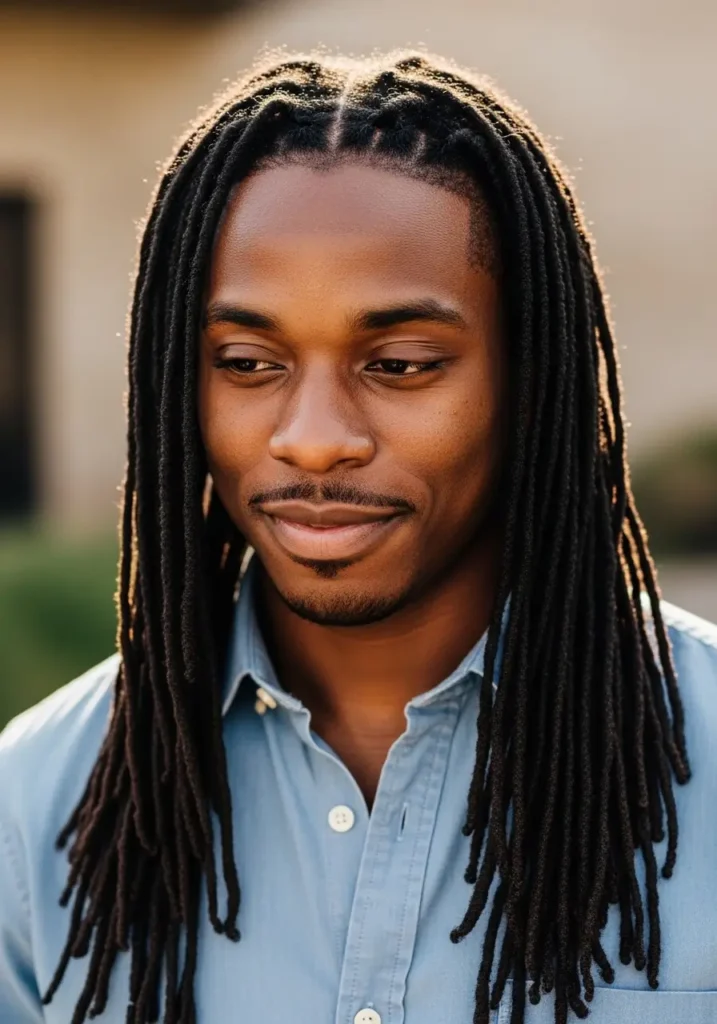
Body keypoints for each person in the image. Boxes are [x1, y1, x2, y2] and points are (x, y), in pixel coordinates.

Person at [1, 49, 716, 1024]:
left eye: (403, 362)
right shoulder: (34, 808)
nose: (315, 437)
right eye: (248, 361)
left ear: (529, 381)